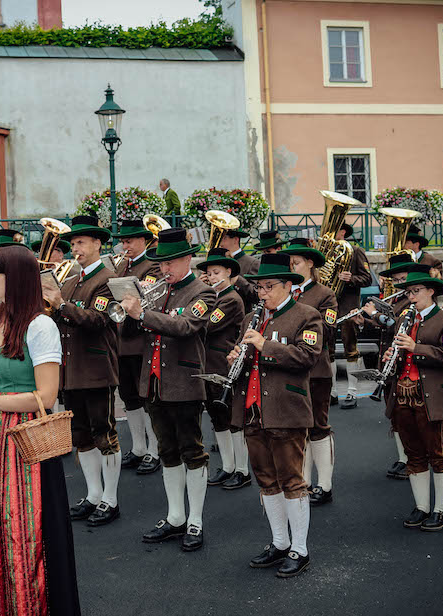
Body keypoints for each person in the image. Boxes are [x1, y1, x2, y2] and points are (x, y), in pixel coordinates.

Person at [0, 245, 83, 616]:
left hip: (27, 441)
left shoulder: (40, 326)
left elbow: (47, 396)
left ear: (11, 280)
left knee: (31, 534)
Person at [227, 253, 324, 577]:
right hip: (253, 409)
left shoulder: (306, 316)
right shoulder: (253, 318)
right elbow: (249, 361)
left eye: (269, 287)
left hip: (286, 410)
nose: (262, 293)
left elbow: (307, 357)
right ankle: (280, 542)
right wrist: (235, 359)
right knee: (266, 479)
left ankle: (300, 548)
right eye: (259, 287)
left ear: (287, 285)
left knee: (292, 480)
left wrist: (264, 344)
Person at [121, 228, 216, 552]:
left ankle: (196, 520)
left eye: (171, 262)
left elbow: (186, 326)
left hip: (185, 383)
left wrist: (143, 313)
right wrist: (133, 309)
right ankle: (176, 516)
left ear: (188, 258)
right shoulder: (159, 290)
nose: (165, 269)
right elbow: (134, 330)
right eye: (162, 263)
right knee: (167, 451)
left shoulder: (203, 292)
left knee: (192, 450)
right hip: (156, 383)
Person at [42, 215, 123, 527]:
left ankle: (111, 499)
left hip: (97, 368)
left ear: (97, 244)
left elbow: (97, 319)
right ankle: (93, 495)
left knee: (104, 434)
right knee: (81, 437)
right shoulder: (72, 280)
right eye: (73, 243)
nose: (75, 248)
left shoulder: (107, 279)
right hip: (72, 369)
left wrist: (61, 305)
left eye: (81, 242)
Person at [382, 269, 443, 531]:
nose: (411, 297)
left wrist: (415, 348)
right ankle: (422, 506)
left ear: (431, 291)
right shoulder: (405, 318)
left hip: (431, 396)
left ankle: (442, 510)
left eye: (416, 291)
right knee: (413, 454)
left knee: (438, 453)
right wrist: (391, 357)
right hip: (403, 393)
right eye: (408, 292)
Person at [283, 239, 338, 506]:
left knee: (318, 426)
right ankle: (301, 481)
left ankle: (324, 484)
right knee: (296, 427)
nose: (291, 265)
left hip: (316, 369)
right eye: (290, 261)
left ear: (310, 263)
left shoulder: (324, 294)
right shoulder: (283, 293)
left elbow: (326, 331)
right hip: (289, 369)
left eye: (297, 261)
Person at [356, 253, 421, 479]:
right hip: (389, 361)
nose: (401, 283)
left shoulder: (411, 301)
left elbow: (394, 325)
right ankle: (404, 457)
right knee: (394, 412)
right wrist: (364, 320)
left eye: (404, 279)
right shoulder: (394, 298)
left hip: (405, 363)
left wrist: (375, 313)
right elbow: (384, 328)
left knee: (405, 413)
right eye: (397, 279)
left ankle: (412, 458)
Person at [111, 219, 161, 475]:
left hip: (141, 340)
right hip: (122, 341)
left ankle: (155, 449)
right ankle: (139, 447)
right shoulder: (122, 266)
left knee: (145, 397)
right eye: (123, 241)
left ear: (144, 240)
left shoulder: (152, 266)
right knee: (129, 397)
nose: (125, 245)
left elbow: (146, 297)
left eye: (129, 240)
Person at [195, 248, 248, 489]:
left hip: (223, 364)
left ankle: (242, 469)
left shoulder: (230, 299)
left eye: (217, 272)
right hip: (208, 362)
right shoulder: (212, 296)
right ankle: (228, 466)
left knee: (232, 418)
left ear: (229, 272)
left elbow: (207, 325)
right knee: (218, 419)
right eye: (209, 273)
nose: (212, 277)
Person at [330, 223, 371, 410]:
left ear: (343, 232)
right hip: (329, 306)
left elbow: (367, 278)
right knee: (328, 349)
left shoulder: (355, 251)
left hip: (348, 306)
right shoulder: (326, 252)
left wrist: (351, 278)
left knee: (350, 348)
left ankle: (352, 391)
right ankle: (332, 391)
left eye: (333, 229)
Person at [221, 226, 260, 311]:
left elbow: (257, 296)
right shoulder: (218, 263)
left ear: (236, 240)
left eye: (224, 239)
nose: (220, 243)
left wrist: (238, 280)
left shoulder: (252, 263)